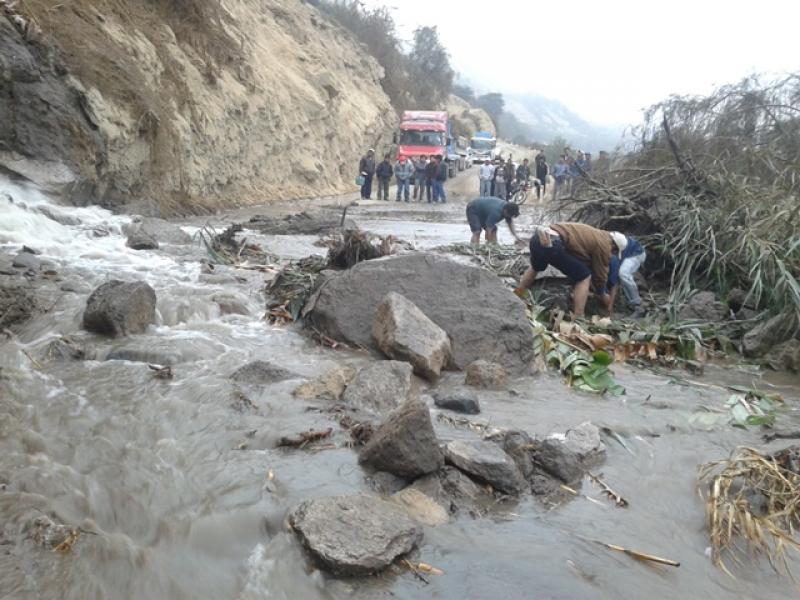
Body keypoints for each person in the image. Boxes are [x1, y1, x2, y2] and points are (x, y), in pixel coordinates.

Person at [515, 222, 621, 317]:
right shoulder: (605, 244)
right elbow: (600, 274)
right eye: (615, 251)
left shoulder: (595, 233)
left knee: (535, 267)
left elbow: (577, 255)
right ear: (614, 246)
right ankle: (579, 317)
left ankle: (517, 295)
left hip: (537, 237)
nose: (612, 254)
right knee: (584, 276)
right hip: (552, 243)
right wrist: (602, 294)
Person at [607, 231, 646, 317]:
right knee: (622, 276)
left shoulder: (620, 245)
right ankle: (632, 304)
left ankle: (638, 305)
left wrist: (610, 304)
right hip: (630, 251)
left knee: (623, 273)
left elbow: (616, 279)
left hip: (637, 254)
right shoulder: (608, 238)